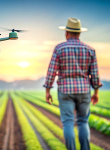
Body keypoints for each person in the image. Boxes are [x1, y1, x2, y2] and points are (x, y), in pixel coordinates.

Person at [43, 17, 102, 150]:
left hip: (65, 90)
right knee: (83, 122)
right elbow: (95, 74)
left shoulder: (59, 48)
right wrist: (96, 92)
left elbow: (52, 71)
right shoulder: (90, 50)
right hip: (84, 90)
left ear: (66, 33)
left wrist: (47, 90)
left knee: (68, 123)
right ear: (80, 33)